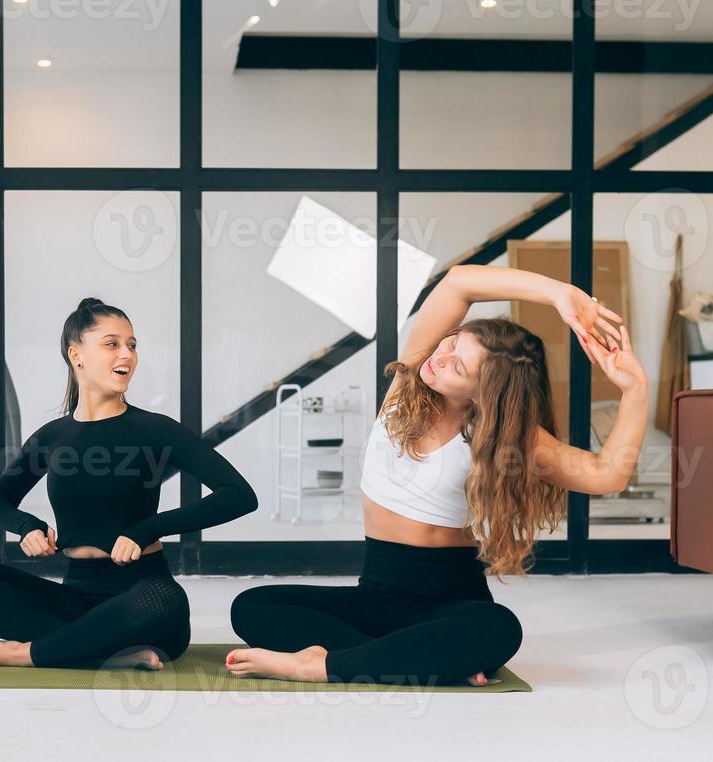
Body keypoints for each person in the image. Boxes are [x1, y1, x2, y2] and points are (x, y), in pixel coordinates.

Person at [227, 265, 648, 686]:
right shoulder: (408, 384)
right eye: (451, 343)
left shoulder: (507, 438)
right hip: (374, 598)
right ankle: (423, 657)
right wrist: (558, 292)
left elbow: (607, 474)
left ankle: (321, 665)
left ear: (485, 393)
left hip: (451, 602)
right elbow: (458, 284)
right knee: (251, 608)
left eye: (457, 368)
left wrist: (634, 389)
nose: (439, 358)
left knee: (498, 629)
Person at [0, 298, 258, 670]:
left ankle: (24, 654)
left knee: (163, 599)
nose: (128, 354)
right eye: (112, 344)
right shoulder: (53, 436)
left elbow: (239, 495)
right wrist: (27, 527)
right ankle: (105, 651)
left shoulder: (154, 429)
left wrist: (148, 529)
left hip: (142, 603)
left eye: (132, 344)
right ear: (77, 355)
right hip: (74, 600)